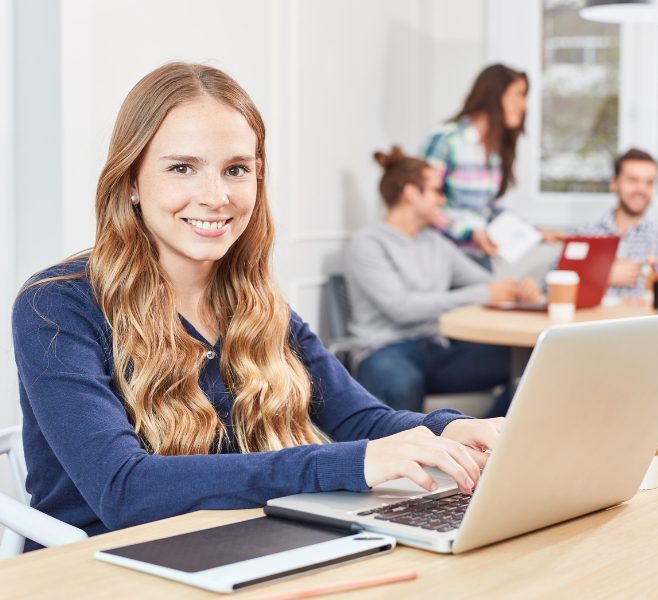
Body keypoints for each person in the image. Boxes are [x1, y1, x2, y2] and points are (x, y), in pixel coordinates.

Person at [11, 63, 503, 548]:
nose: (216, 196)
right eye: (182, 167)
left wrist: (452, 429)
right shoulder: (55, 306)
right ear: (132, 181)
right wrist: (351, 462)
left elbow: (360, 420)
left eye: (236, 170)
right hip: (97, 568)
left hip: (233, 547)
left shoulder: (259, 304)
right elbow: (124, 489)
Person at [345, 146, 540, 416]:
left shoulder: (436, 243)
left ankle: (485, 447)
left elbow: (485, 281)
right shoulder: (368, 244)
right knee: (402, 383)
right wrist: (484, 294)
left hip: (437, 348)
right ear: (412, 194)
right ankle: (405, 458)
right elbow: (402, 309)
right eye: (437, 191)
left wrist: (518, 288)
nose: (442, 200)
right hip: (384, 350)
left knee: (532, 362)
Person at [422, 64, 560, 268]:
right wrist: (469, 234)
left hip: (477, 257)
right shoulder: (447, 139)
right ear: (495, 95)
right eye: (519, 95)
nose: (524, 106)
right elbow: (423, 203)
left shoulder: (493, 151)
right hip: (442, 256)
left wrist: (534, 232)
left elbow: (488, 209)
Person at [573, 148, 658, 299]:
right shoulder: (583, 234)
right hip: (594, 321)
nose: (642, 189)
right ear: (614, 184)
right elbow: (550, 289)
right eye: (633, 180)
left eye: (649, 182)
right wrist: (603, 276)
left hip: (646, 322)